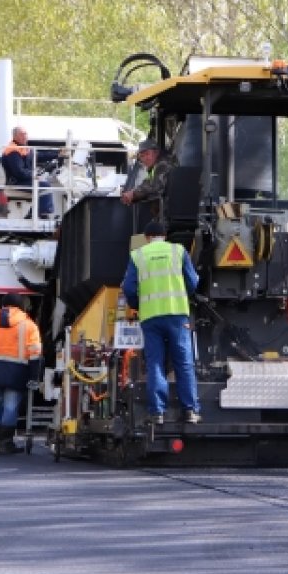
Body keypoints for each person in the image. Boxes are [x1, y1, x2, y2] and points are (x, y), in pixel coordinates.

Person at [121, 220, 201, 425]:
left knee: (155, 363)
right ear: (165, 236)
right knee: (183, 363)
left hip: (151, 318)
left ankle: (157, 413)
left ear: (147, 238)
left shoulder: (138, 255)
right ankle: (190, 411)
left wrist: (138, 304)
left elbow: (129, 288)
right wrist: (183, 295)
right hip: (177, 315)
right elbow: (192, 282)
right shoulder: (178, 251)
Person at [0, 293, 42, 454]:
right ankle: (6, 443)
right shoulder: (29, 325)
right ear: (21, 306)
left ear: (3, 305)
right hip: (16, 374)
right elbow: (35, 353)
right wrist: (33, 376)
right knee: (10, 408)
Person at [0, 126, 55, 219]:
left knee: (43, 184)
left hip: (21, 180)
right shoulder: (13, 151)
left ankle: (34, 213)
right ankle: (40, 214)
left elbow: (39, 155)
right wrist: (33, 175)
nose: (25, 137)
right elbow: (19, 172)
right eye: (22, 134)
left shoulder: (22, 149)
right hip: (16, 182)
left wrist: (57, 154)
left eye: (26, 134)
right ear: (15, 136)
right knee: (45, 186)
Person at [120, 139, 176, 220]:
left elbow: (155, 187)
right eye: (142, 156)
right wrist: (133, 192)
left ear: (156, 153)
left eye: (147, 154)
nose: (145, 158)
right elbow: (149, 181)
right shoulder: (156, 165)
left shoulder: (163, 164)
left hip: (172, 211)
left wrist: (134, 194)